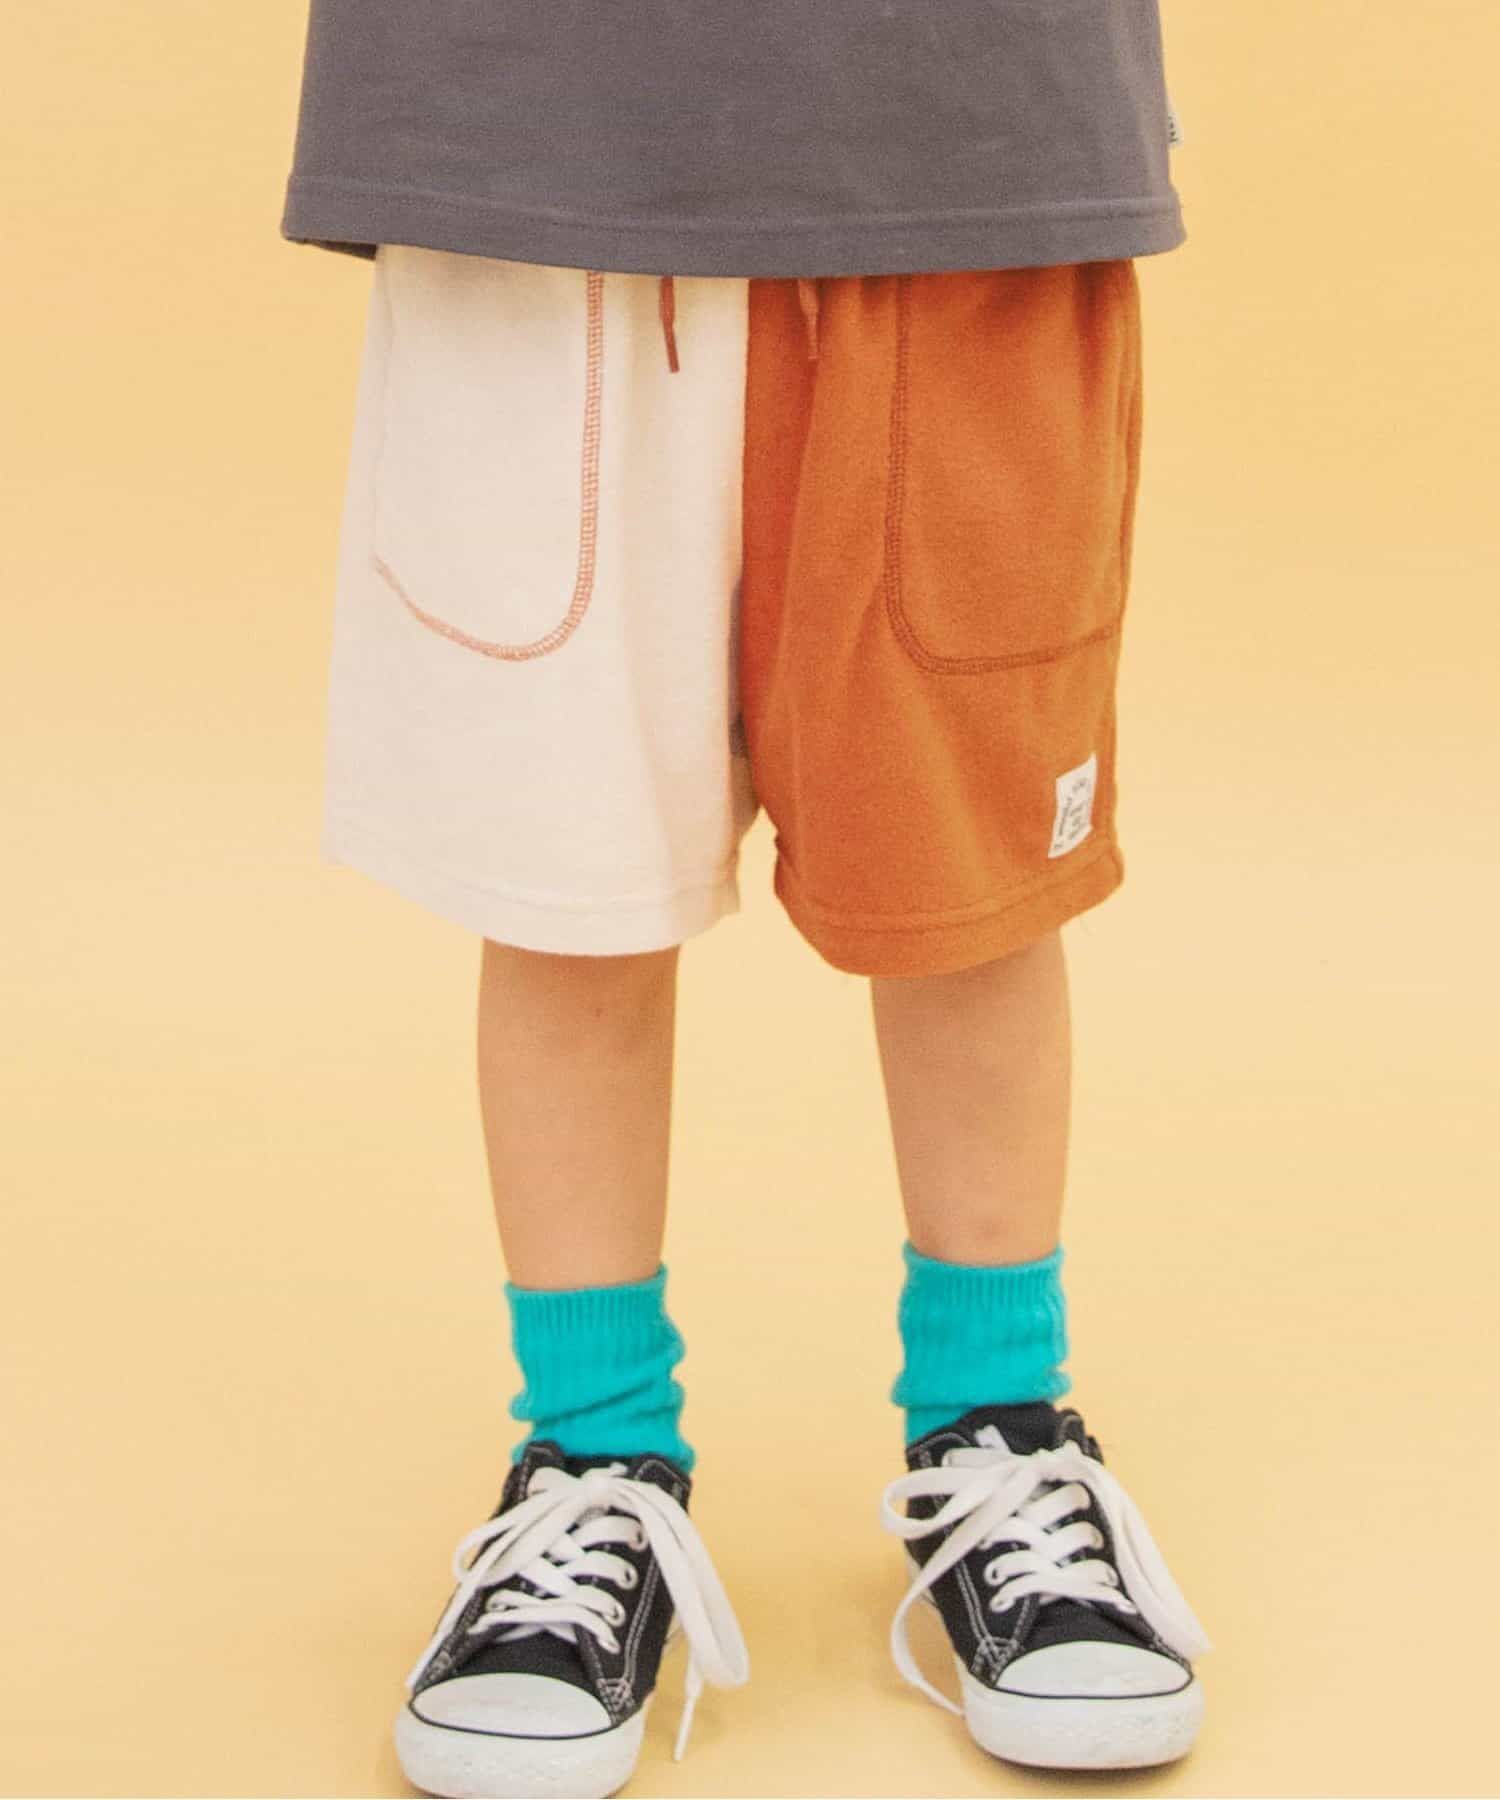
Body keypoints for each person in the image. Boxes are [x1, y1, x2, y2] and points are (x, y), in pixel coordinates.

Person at [279, 4, 1211, 1794]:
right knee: (567, 878)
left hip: (967, 135)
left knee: (971, 876)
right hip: (535, 139)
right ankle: (592, 1455)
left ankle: (1000, 1423)